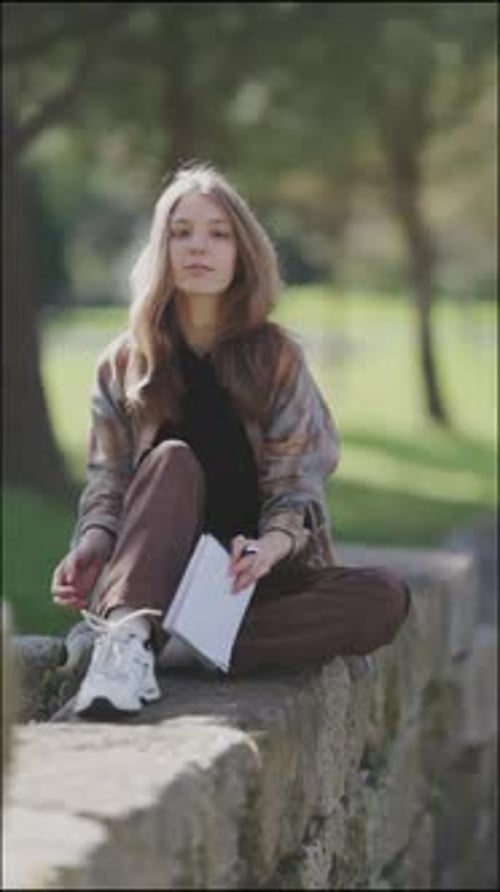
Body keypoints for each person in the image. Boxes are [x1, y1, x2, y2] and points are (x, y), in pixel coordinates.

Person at [51, 162, 411, 720]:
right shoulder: (123, 364)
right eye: (182, 232)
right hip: (148, 579)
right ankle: (127, 640)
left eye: (219, 233)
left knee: (386, 597)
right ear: (161, 249)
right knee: (171, 459)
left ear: (242, 252)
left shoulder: (278, 359)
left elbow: (297, 488)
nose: (200, 247)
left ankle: (176, 645)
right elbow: (107, 484)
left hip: (246, 591)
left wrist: (272, 547)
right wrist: (93, 544)